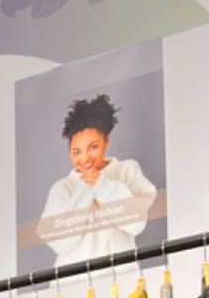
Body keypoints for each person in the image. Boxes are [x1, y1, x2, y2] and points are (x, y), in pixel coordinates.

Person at [37, 93, 157, 265]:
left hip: (120, 275)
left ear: (106, 140)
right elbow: (60, 243)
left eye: (93, 147)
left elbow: (136, 223)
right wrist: (85, 188)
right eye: (77, 152)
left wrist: (102, 184)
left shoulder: (126, 171)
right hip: (75, 278)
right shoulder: (62, 188)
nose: (85, 158)